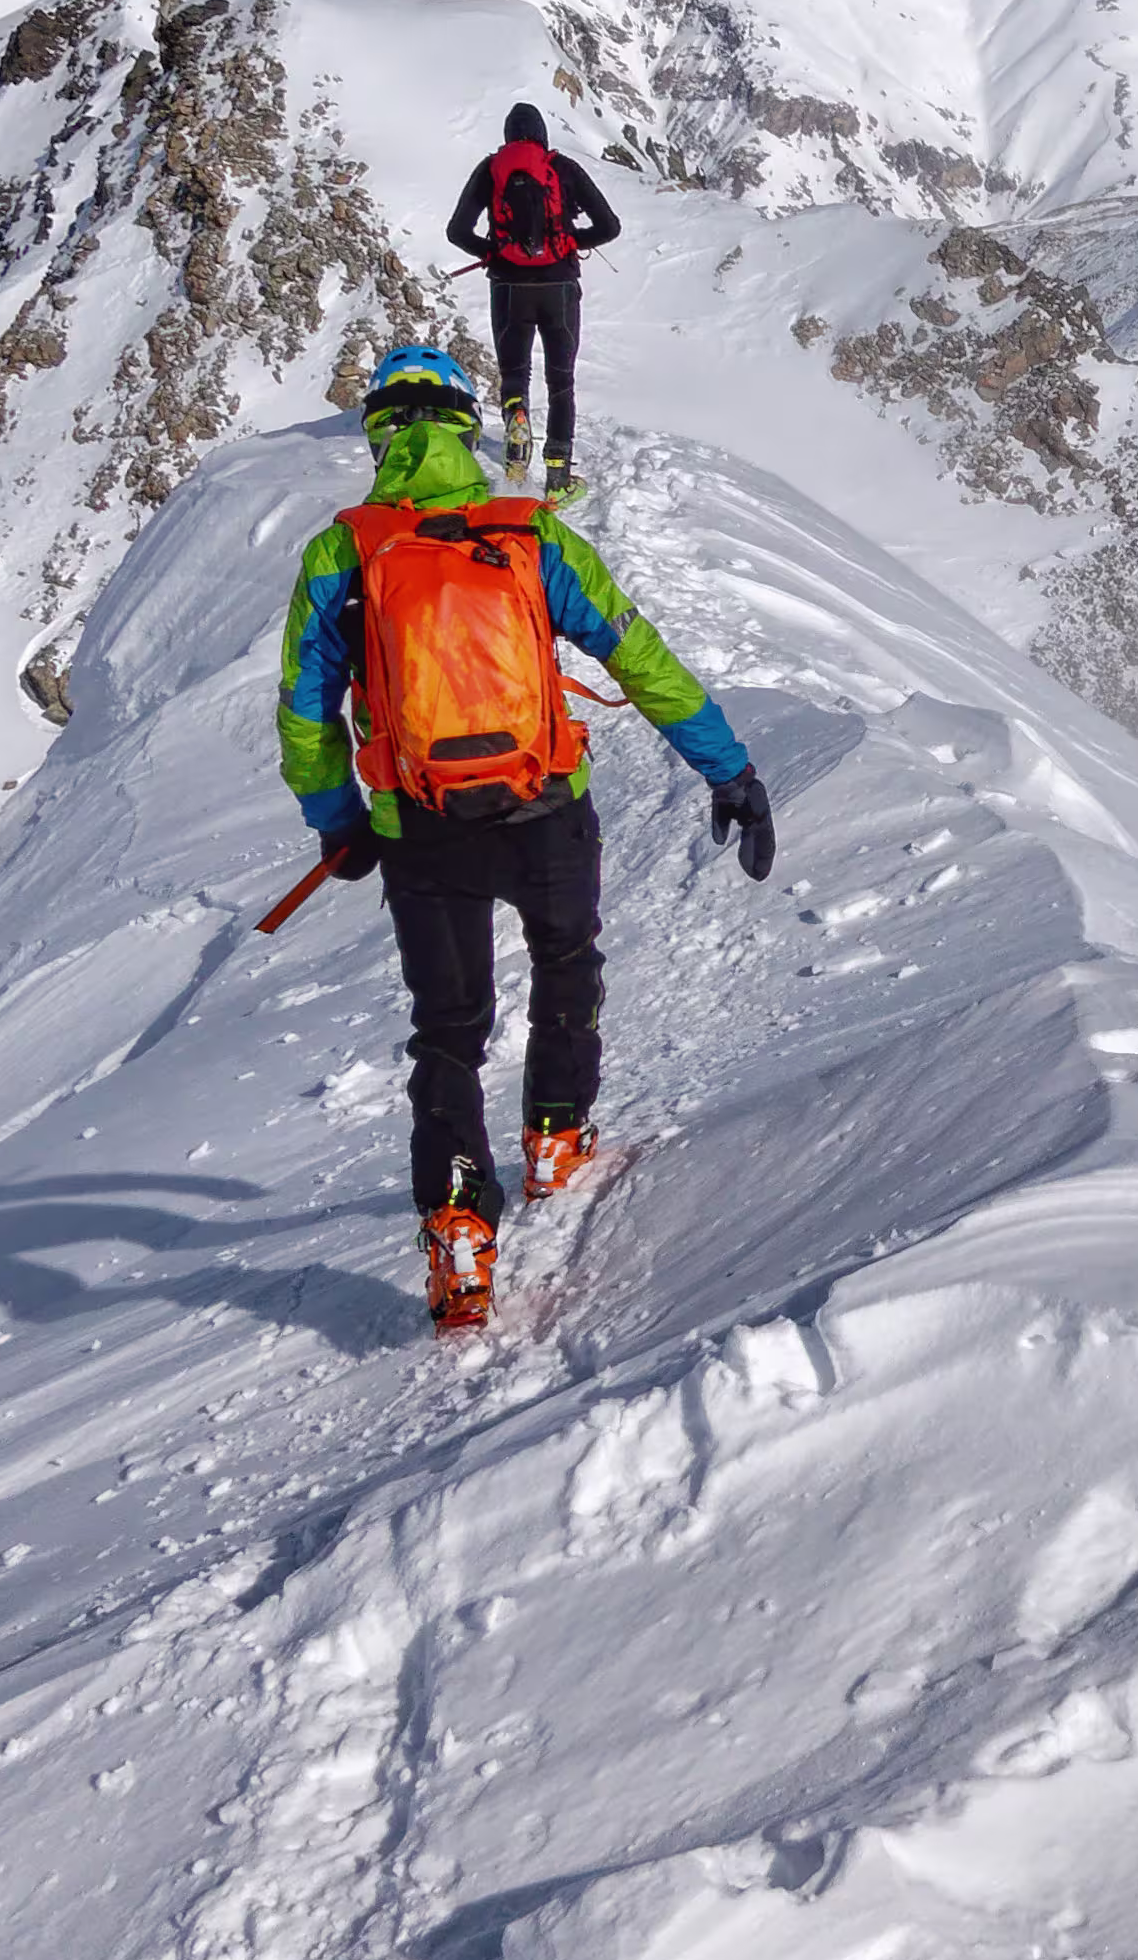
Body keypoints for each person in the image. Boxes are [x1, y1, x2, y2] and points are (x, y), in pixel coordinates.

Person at [275, 342, 773, 1334]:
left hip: (420, 824)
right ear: (466, 423)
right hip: (544, 803)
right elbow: (638, 653)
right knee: (566, 958)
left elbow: (303, 714)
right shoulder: (529, 532)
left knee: (448, 1031)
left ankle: (458, 1222)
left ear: (379, 431)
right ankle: (556, 1136)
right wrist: (729, 770)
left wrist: (343, 824)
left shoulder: (346, 551)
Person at [446, 100, 619, 492]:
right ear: (543, 134)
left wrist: (492, 252)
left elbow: (457, 231)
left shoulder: (492, 170)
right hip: (558, 287)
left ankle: (516, 453)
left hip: (508, 287)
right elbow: (609, 226)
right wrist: (569, 243)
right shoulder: (562, 168)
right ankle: (557, 478)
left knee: (514, 375)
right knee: (561, 383)